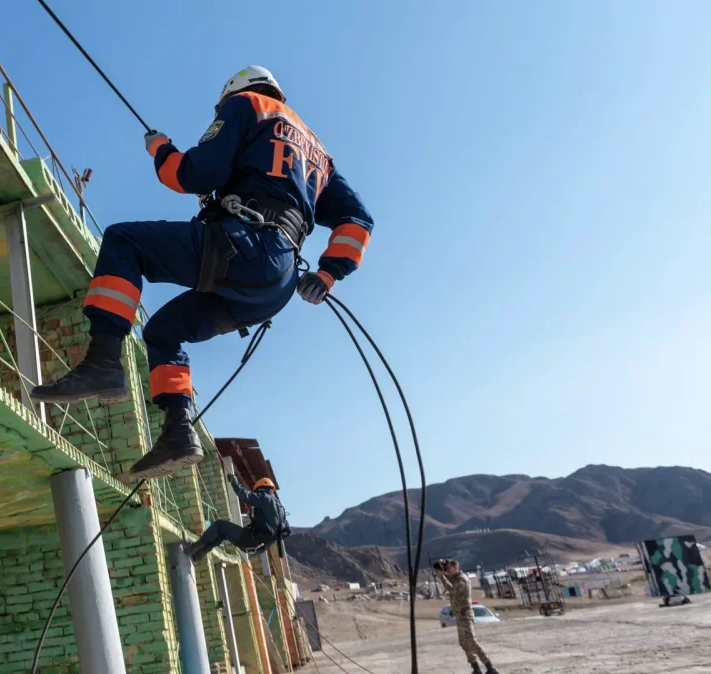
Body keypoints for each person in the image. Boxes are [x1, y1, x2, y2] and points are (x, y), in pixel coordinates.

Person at [31, 66, 375, 480]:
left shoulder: (246, 105)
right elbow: (358, 219)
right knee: (162, 332)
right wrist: (328, 274)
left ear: (232, 92)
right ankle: (178, 432)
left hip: (242, 248)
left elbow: (195, 174)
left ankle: (103, 361)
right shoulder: (318, 153)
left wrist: (161, 149)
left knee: (125, 242)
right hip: (275, 284)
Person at [184, 475, 287, 562]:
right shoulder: (280, 509)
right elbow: (282, 531)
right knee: (223, 533)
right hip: (259, 545)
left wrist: (235, 482)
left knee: (220, 525)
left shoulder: (266, 498)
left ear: (261, 488)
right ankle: (199, 553)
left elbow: (244, 495)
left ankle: (194, 548)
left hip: (251, 540)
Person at [436, 559, 499, 674]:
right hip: (459, 615)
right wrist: (441, 566)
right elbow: (446, 579)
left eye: (448, 569)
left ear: (456, 568)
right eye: (446, 569)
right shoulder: (453, 578)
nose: (447, 571)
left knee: (472, 642)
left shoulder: (462, 579)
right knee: (463, 642)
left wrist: (442, 577)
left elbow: (452, 589)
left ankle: (490, 667)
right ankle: (476, 668)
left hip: (465, 615)